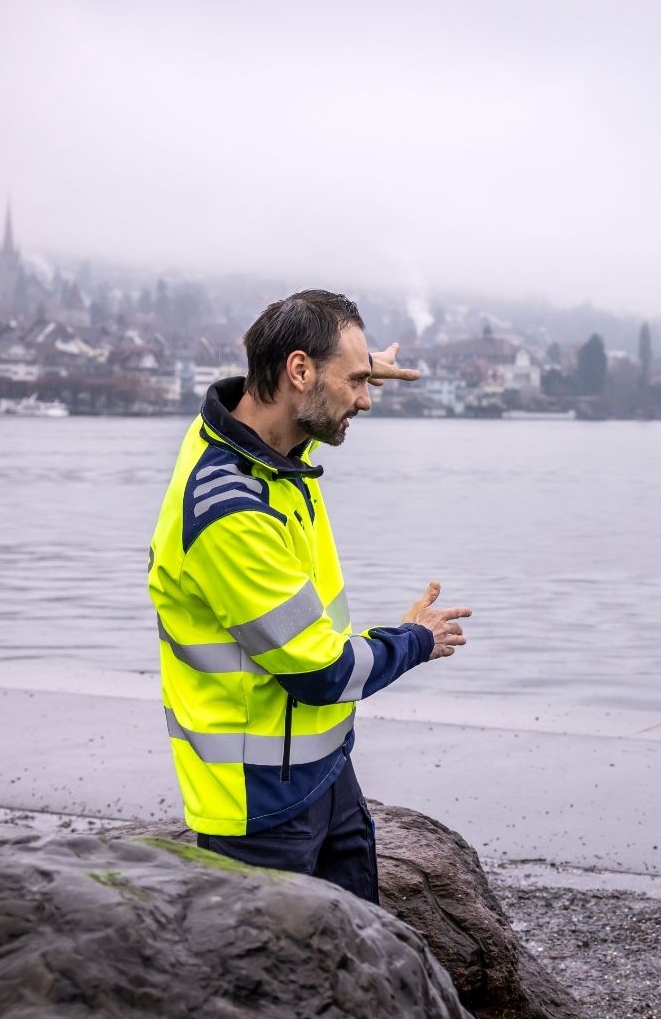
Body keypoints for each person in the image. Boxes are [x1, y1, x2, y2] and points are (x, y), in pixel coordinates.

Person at [146, 288, 472, 904]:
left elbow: (309, 405)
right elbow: (322, 672)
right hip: (258, 807)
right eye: (356, 381)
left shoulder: (271, 446)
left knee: (362, 961)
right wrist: (416, 640)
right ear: (299, 371)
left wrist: (358, 361)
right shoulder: (229, 511)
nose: (366, 400)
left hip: (322, 769)